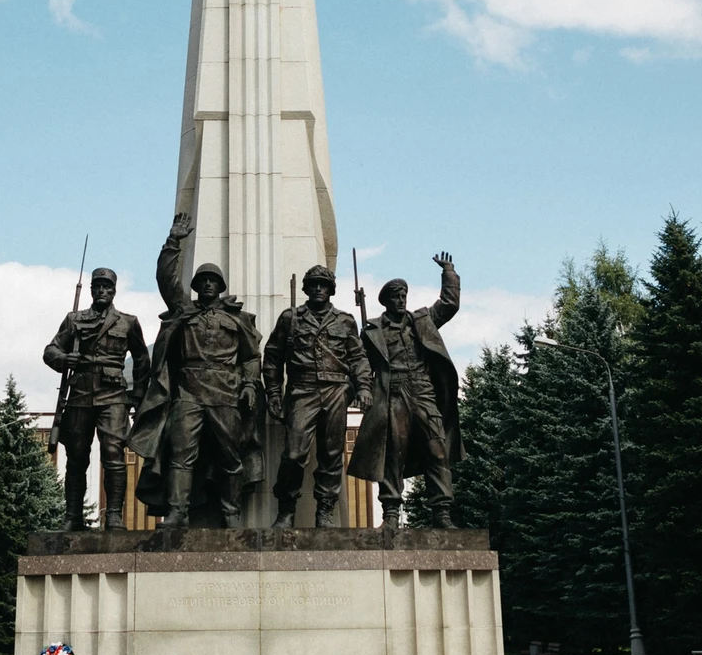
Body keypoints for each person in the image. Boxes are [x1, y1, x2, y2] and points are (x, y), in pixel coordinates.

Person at [129, 212, 263, 527]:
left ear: (220, 286)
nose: (207, 284)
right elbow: (166, 280)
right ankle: (178, 511)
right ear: (196, 286)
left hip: (226, 392)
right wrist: (173, 242)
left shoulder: (237, 319)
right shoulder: (184, 311)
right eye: (202, 281)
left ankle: (231, 512)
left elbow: (251, 356)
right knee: (181, 455)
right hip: (188, 391)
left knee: (230, 456)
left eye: (212, 281)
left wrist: (248, 385)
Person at [350, 252, 463, 528]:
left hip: (423, 391)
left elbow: (449, 304)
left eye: (403, 296)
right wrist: (362, 390)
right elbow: (360, 364)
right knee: (393, 451)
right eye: (396, 297)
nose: (401, 301)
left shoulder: (422, 321)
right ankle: (390, 512)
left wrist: (448, 272)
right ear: (386, 302)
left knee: (437, 449)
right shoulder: (374, 331)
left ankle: (442, 512)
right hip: (393, 393)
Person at [263, 264, 373, 528]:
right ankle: (286, 509)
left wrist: (364, 387)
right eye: (313, 284)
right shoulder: (291, 318)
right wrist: (274, 394)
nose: (318, 289)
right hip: (301, 390)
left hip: (336, 390)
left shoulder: (345, 321)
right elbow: (273, 358)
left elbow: (358, 358)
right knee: (293, 454)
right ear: (306, 288)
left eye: (323, 285)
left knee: (332, 454)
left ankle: (325, 510)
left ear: (331, 289)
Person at [43, 267, 148, 530]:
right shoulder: (74, 319)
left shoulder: (128, 322)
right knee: (77, 457)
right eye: (97, 286)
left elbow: (142, 359)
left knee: (113, 453)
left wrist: (138, 396)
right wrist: (64, 358)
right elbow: (50, 350)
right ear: (91, 290)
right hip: (80, 393)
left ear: (114, 291)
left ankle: (114, 515)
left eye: (106, 287)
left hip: (113, 395)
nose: (102, 291)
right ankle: (73, 516)